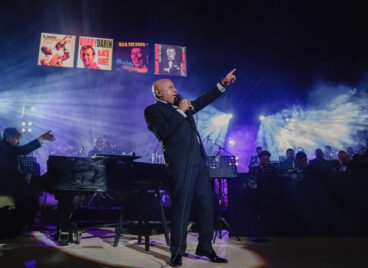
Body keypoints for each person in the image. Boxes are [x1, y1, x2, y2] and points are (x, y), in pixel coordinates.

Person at [144, 69, 236, 267]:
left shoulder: (181, 104)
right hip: (181, 165)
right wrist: (180, 111)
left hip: (199, 163)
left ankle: (205, 246)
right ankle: (177, 252)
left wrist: (222, 84)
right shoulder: (152, 111)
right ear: (159, 93)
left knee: (206, 206)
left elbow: (201, 101)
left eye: (174, 86)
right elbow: (163, 133)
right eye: (170, 87)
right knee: (182, 208)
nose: (175, 90)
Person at [0, 128, 55, 238]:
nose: (18, 141)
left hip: (8, 186)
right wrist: (41, 138)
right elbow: (23, 150)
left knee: (25, 204)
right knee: (27, 205)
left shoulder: (5, 147)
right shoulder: (4, 146)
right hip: (5, 188)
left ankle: (12, 231)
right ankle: (11, 231)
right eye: (16, 138)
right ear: (8, 137)